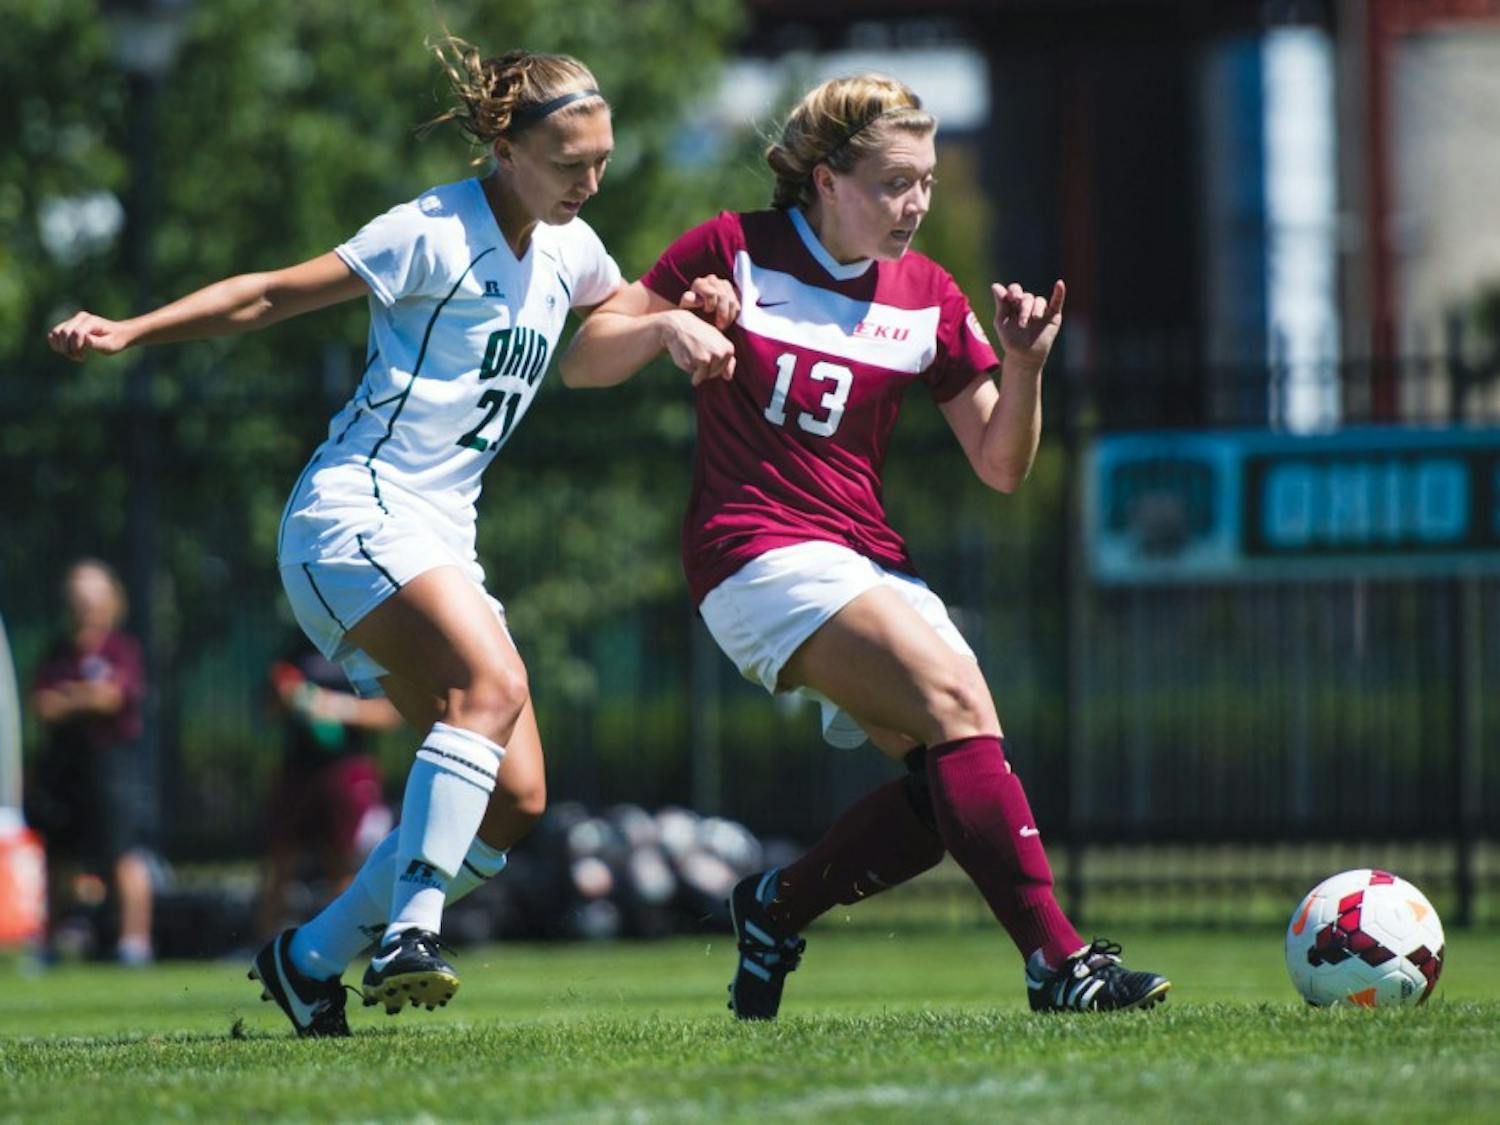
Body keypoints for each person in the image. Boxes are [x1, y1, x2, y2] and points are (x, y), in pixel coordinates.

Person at [47, 37, 729, 1036]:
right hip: (355, 515)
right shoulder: (431, 231)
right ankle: (413, 929)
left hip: (442, 539)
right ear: (506, 147)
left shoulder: (572, 248)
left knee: (516, 802)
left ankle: (309, 958)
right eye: (570, 161)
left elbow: (596, 351)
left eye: (602, 160)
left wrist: (674, 316)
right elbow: (271, 292)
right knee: (488, 690)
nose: (591, 179)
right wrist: (131, 330)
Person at [560, 74, 1172, 1017]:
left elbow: (1001, 465)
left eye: (926, 180)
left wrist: (1024, 366)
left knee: (943, 790)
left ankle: (774, 906)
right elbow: (587, 355)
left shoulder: (927, 292)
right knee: (958, 700)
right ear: (825, 179)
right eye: (894, 182)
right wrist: (670, 324)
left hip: (866, 557)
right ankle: (1061, 963)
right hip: (751, 552)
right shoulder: (733, 248)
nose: (916, 202)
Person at [26, 559, 154, 966]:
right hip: (66, 765)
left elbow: (114, 697)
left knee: (123, 854)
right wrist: (87, 695)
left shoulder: (122, 649)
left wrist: (72, 698)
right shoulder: (57, 652)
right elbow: (43, 705)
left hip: (111, 764)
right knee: (57, 856)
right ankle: (48, 945)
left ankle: (135, 944)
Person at [254, 641, 402, 944]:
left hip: (347, 769)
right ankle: (265, 945)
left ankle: (338, 944)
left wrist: (333, 706)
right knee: (280, 860)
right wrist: (288, 699)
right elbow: (267, 708)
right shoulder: (294, 648)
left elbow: (392, 714)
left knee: (344, 863)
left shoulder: (365, 644)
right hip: (299, 770)